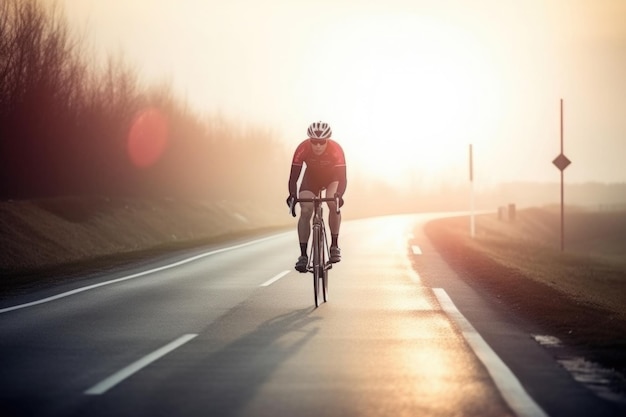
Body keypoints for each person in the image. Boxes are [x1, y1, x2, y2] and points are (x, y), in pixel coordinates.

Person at [286, 121, 347, 273]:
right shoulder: (302, 149)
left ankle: (334, 245)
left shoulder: (336, 149)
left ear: (327, 140)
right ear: (309, 140)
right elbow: (293, 178)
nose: (318, 146)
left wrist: (339, 196)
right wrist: (292, 195)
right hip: (311, 179)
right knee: (305, 211)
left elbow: (343, 178)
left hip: (331, 178)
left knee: (333, 204)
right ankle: (303, 256)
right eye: (314, 142)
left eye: (321, 142)